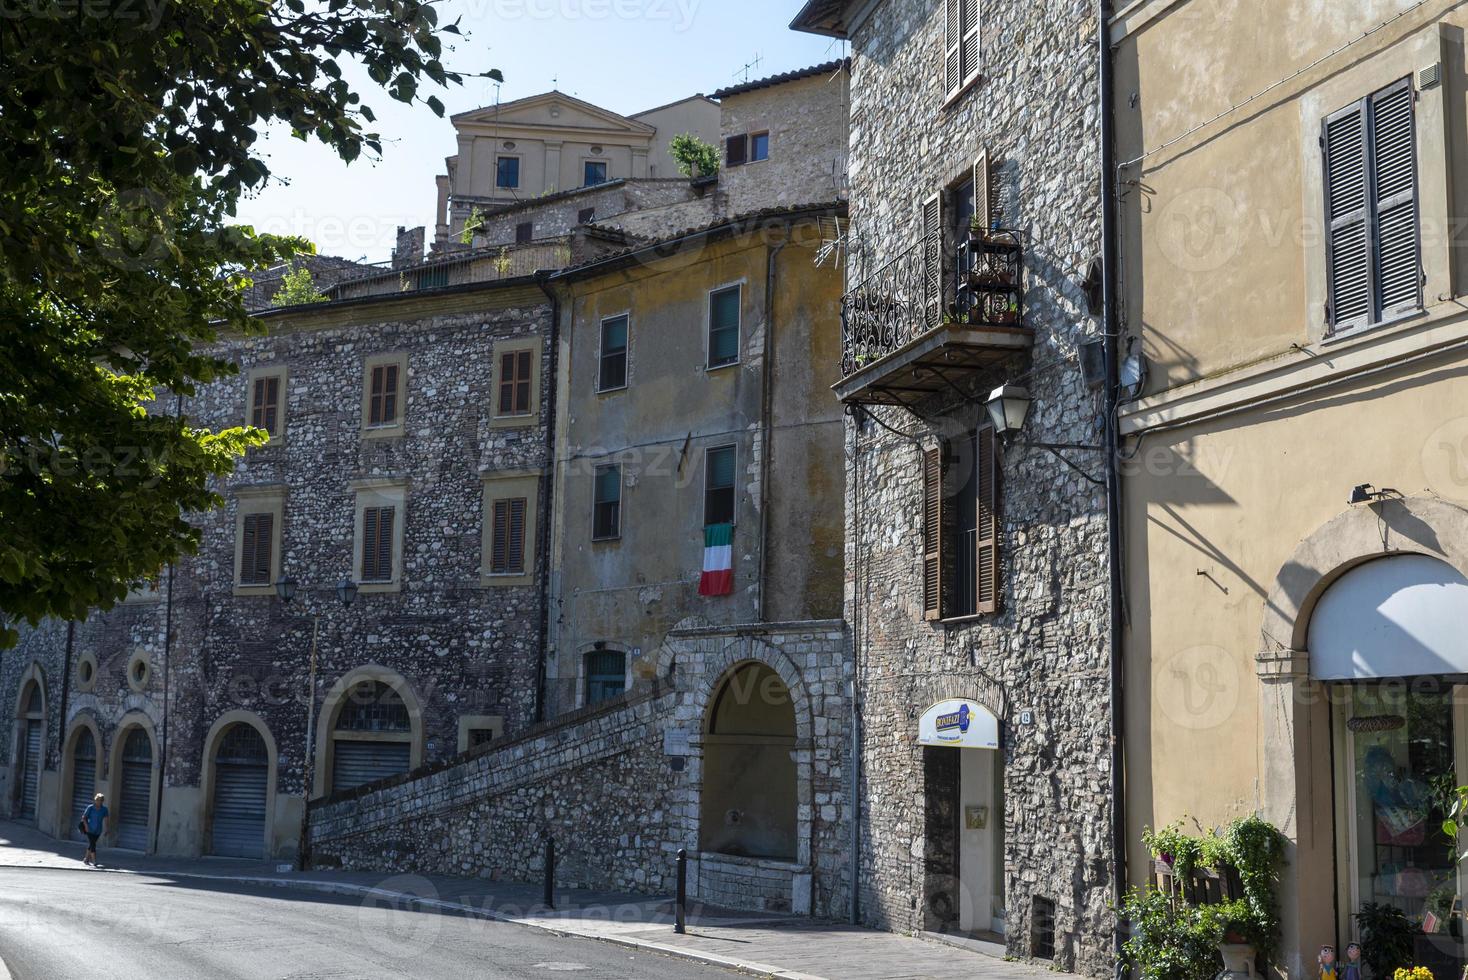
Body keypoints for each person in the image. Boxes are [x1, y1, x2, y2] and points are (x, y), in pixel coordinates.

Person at [81, 792, 107, 867]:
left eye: (101, 800)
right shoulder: (90, 807)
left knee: (91, 844)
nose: (99, 801)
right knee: (93, 844)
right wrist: (86, 826)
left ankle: (86, 859)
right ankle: (94, 861)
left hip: (98, 830)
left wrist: (107, 829)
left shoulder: (104, 809)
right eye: (98, 800)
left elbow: (106, 819)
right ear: (95, 800)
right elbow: (84, 817)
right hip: (90, 829)